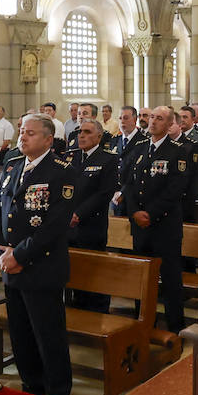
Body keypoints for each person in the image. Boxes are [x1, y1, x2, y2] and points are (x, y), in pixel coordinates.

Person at [0, 114, 76, 395]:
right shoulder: (12, 166)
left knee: (47, 333)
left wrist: (20, 255)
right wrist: (1, 253)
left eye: (30, 133)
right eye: (21, 132)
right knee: (21, 333)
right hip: (11, 267)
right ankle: (32, 385)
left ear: (49, 139)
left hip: (42, 267)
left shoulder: (61, 171)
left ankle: (56, 392)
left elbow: (55, 225)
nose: (22, 138)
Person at [120, 106, 191, 331]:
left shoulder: (178, 151)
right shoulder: (139, 148)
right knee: (143, 278)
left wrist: (150, 213)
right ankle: (143, 321)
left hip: (164, 226)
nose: (152, 122)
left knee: (170, 280)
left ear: (170, 124)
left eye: (159, 118)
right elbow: (128, 183)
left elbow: (176, 189)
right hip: (140, 227)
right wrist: (134, 213)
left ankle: (175, 326)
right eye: (151, 117)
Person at [67, 119, 121, 311]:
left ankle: (97, 312)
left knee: (92, 273)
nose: (82, 135)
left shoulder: (108, 159)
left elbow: (104, 193)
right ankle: (77, 310)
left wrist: (79, 214)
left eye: (88, 132)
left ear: (99, 136)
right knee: (73, 273)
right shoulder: (70, 157)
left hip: (91, 226)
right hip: (68, 226)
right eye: (80, 131)